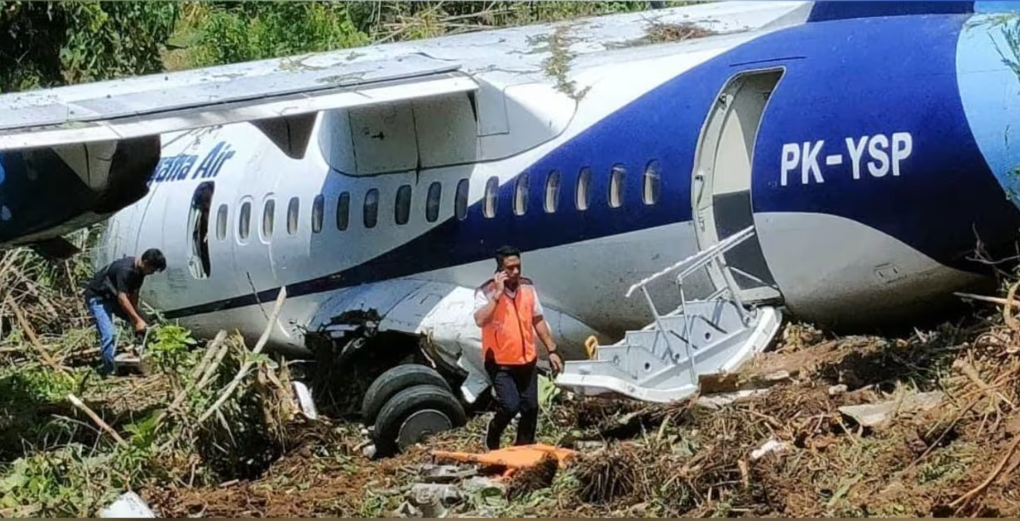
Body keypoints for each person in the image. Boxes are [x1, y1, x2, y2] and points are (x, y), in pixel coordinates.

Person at [473, 245, 564, 450]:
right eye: (510, 268)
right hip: (499, 361)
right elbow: (480, 320)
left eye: (518, 267)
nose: (515, 272)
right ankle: (492, 436)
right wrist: (497, 295)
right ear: (500, 269)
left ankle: (524, 447)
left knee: (531, 407)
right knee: (510, 406)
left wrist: (551, 350)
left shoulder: (527, 288)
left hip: (526, 359)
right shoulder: (485, 291)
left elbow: (537, 319)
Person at [83, 249, 166, 376]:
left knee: (144, 323)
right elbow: (122, 298)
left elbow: (134, 295)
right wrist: (136, 320)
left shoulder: (140, 272)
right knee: (109, 334)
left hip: (113, 297)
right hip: (99, 298)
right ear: (146, 262)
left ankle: (139, 355)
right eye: (152, 270)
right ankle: (110, 372)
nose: (152, 273)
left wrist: (136, 318)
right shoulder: (126, 269)